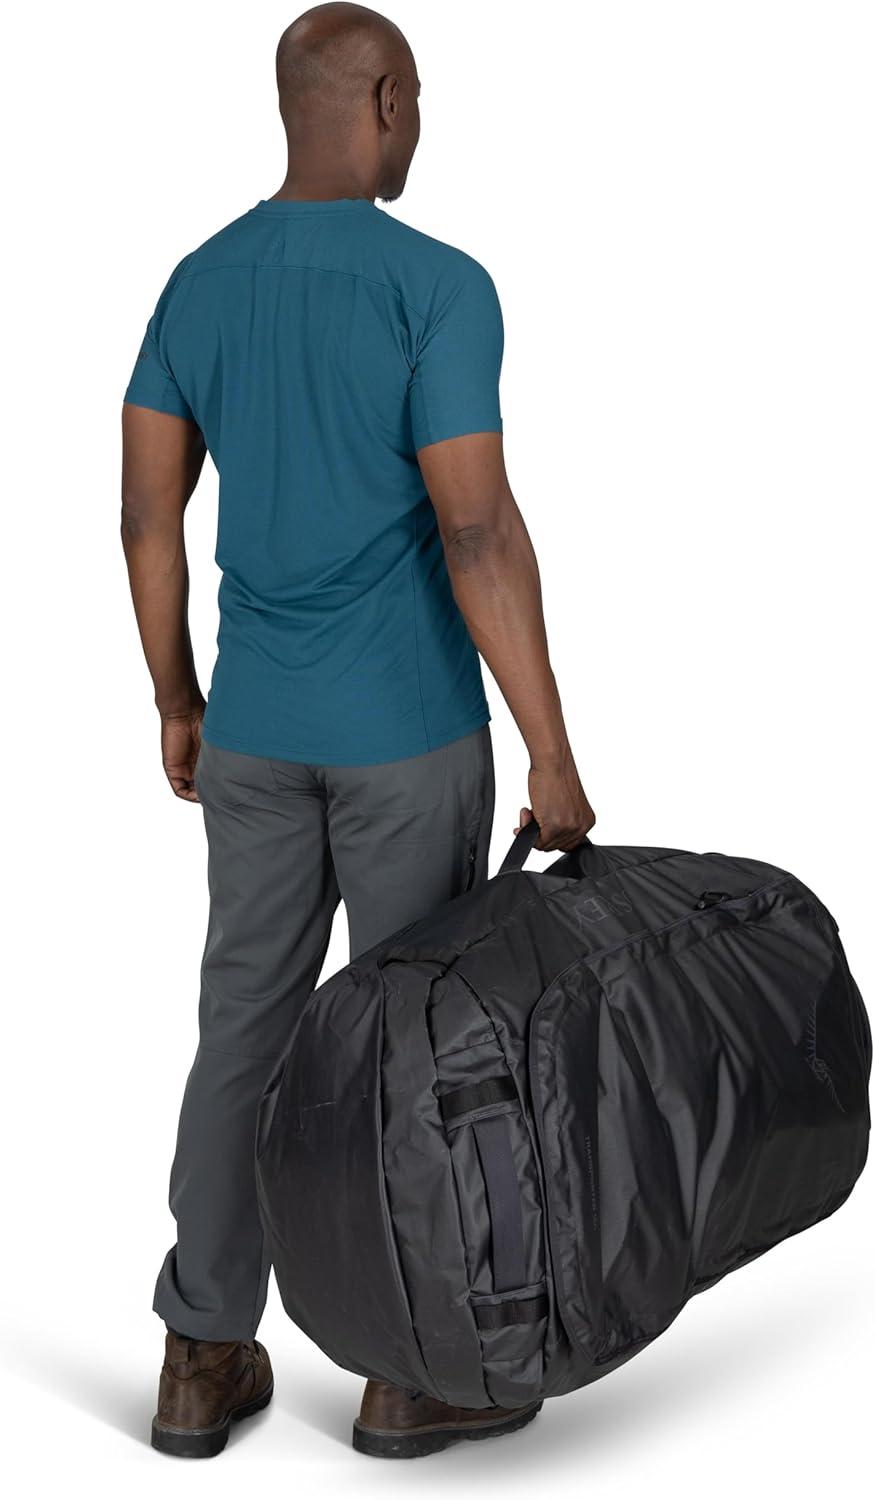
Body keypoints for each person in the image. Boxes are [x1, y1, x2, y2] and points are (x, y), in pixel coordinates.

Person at [121, 0, 595, 1461]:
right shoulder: (438, 286)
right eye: (419, 102)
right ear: (383, 99)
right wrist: (552, 750)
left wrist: (178, 700)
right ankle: (410, 1372)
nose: (420, 128)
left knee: (244, 1035)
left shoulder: (197, 282)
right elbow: (478, 529)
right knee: (423, 1047)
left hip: (255, 740)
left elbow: (145, 517)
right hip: (405, 740)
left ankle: (201, 1354)